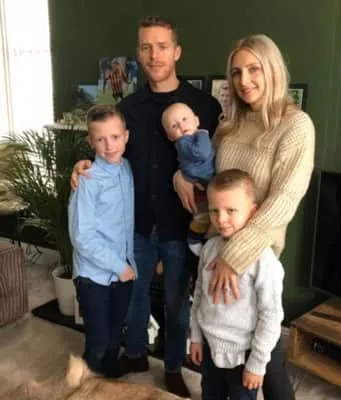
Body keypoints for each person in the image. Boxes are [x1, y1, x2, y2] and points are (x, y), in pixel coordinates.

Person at [71, 16, 221, 397]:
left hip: (180, 226)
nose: (154, 55)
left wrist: (188, 178)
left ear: (177, 51)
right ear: (138, 53)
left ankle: (172, 367)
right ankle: (136, 355)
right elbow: (109, 150)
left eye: (162, 46)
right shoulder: (128, 108)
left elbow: (218, 167)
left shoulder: (204, 105)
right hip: (135, 226)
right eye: (146, 47)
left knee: (176, 302)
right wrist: (82, 164)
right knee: (134, 297)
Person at [175, 34, 315, 400]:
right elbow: (209, 175)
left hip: (254, 255)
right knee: (225, 351)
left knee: (263, 353)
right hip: (214, 245)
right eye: (236, 72)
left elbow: (284, 200)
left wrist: (234, 256)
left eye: (254, 69)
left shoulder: (296, 126)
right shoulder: (230, 124)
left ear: (273, 70)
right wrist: (180, 177)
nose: (244, 80)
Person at [190, 169, 284, 400]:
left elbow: (271, 315)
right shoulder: (209, 249)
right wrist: (196, 337)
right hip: (210, 350)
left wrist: (258, 363)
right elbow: (199, 296)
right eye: (214, 210)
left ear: (252, 212)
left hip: (244, 357)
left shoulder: (264, 260)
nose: (221, 219)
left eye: (231, 211)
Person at [68, 105, 136, 378]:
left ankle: (107, 378)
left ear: (126, 136)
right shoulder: (87, 179)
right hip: (94, 275)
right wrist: (119, 266)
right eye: (100, 139)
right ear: (90, 141)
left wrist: (126, 266)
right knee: (98, 341)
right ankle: (87, 386)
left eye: (115, 137)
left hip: (123, 272)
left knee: (114, 334)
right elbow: (81, 237)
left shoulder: (126, 168)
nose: (109, 146)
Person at [161, 102, 215, 255]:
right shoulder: (184, 142)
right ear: (170, 136)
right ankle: (194, 239)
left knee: (210, 216)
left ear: (196, 120)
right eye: (174, 126)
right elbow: (202, 153)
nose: (181, 126)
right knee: (203, 216)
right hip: (199, 186)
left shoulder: (191, 139)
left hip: (206, 183)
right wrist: (203, 133)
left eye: (185, 119)